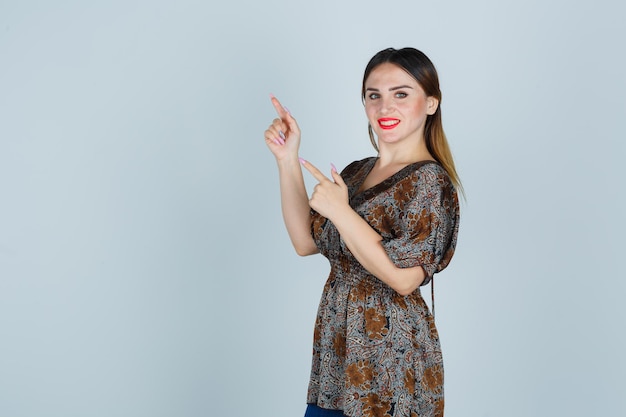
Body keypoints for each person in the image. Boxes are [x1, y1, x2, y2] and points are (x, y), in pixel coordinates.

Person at [264, 47, 461, 417]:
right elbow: (305, 242)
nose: (385, 107)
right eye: (375, 95)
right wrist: (287, 159)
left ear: (431, 103)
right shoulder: (356, 172)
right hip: (339, 349)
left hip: (391, 358)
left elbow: (403, 280)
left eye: (401, 94)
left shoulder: (430, 181)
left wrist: (340, 210)